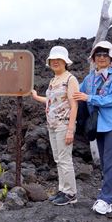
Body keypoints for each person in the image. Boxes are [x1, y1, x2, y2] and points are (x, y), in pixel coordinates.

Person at [72, 41, 112, 215]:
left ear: (111, 58)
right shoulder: (89, 79)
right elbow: (77, 94)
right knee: (106, 163)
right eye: (98, 55)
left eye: (105, 54)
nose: (102, 57)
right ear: (94, 58)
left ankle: (106, 199)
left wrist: (90, 98)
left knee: (111, 162)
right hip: (99, 126)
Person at [31, 46, 79, 206]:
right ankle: (62, 190)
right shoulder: (53, 80)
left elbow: (74, 105)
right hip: (52, 125)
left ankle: (71, 193)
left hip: (64, 125)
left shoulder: (70, 79)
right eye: (53, 60)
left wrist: (70, 129)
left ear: (65, 62)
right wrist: (37, 97)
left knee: (65, 159)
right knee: (58, 159)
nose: (55, 62)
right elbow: (52, 101)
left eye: (59, 59)